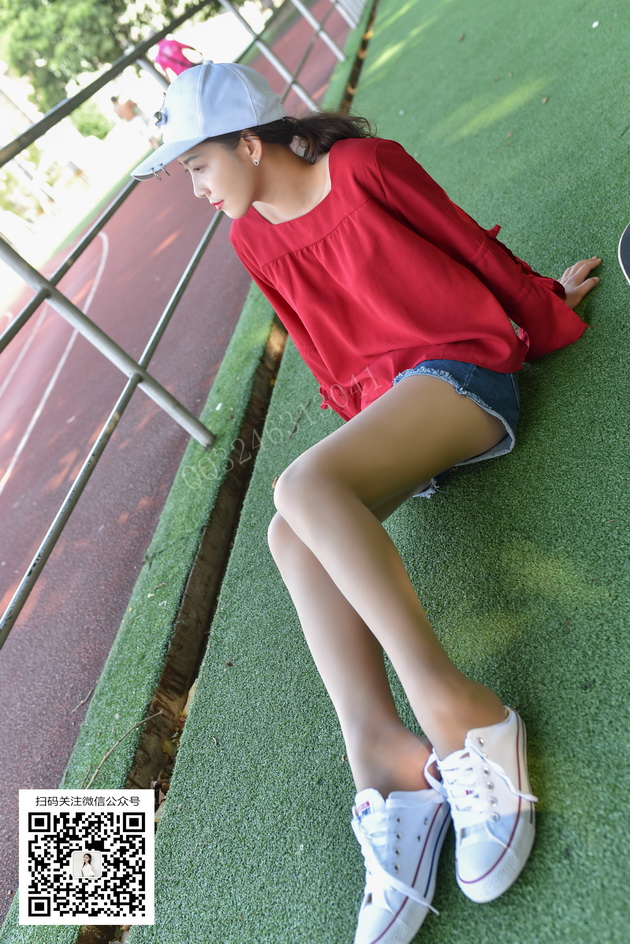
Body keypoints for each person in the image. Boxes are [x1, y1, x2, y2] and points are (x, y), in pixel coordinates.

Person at [132, 62, 600, 944]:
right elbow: (324, 346)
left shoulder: (364, 168)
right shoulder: (250, 241)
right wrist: (379, 448)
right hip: (403, 411)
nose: (195, 189)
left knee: (299, 488)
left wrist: (543, 312)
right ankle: (388, 765)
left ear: (248, 142)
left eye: (197, 165)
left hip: (465, 372)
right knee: (289, 532)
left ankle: (462, 714)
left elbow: (466, 246)